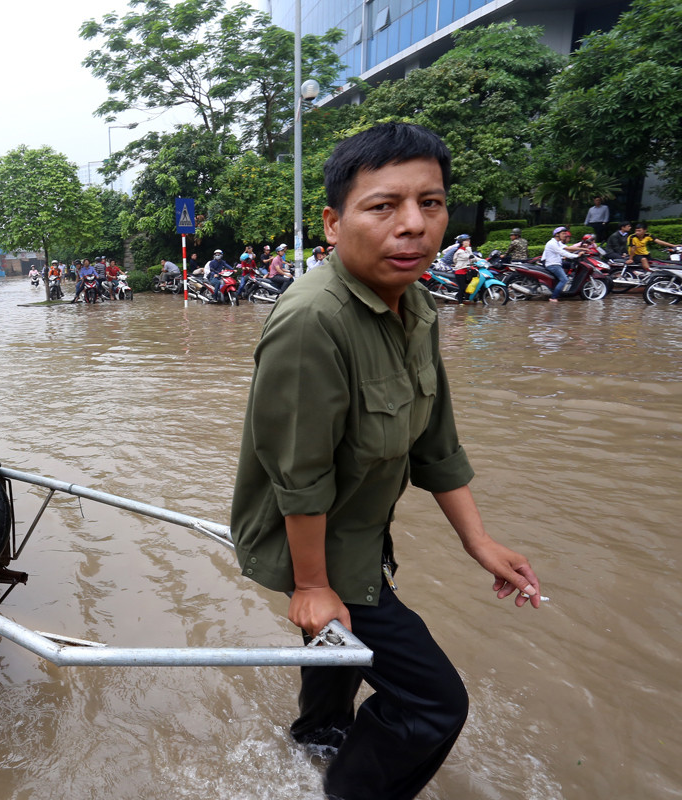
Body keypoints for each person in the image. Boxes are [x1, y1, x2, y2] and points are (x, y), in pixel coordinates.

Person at [230, 122, 541, 800]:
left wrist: (478, 540)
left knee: (338, 662)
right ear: (334, 223)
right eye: (384, 205)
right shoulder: (314, 320)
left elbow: (435, 440)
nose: (414, 225)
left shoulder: (417, 302)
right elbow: (300, 473)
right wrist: (313, 586)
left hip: (362, 526)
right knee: (433, 705)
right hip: (310, 541)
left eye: (430, 203)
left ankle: (317, 738)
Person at [542, 226, 584, 302]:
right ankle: (553, 297)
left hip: (556, 263)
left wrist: (579, 251)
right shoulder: (552, 243)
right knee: (564, 279)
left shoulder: (557, 243)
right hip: (553, 265)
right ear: (557, 234)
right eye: (563, 233)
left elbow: (567, 249)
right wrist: (577, 256)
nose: (565, 235)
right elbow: (563, 252)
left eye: (565, 233)